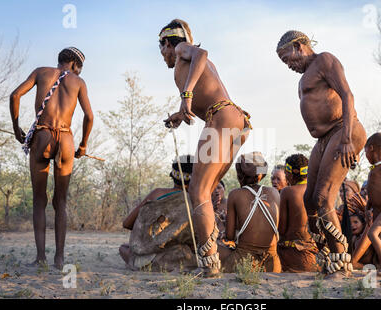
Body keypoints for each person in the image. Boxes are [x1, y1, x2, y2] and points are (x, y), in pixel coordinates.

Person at [159, 19, 251, 277]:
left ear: (167, 43)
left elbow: (201, 53)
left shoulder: (182, 51)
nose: (164, 57)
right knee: (206, 192)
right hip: (234, 121)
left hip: (221, 116)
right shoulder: (189, 67)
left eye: (161, 50)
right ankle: (212, 257)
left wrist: (185, 95)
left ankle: (210, 265)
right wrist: (181, 113)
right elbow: (204, 89)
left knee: (197, 191)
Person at [276, 30, 367, 277]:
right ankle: (328, 252)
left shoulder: (324, 60)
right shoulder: (306, 75)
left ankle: (341, 262)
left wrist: (347, 139)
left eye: (289, 59)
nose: (289, 66)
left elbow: (347, 95)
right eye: (285, 63)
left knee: (325, 197)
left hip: (342, 130)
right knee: (309, 201)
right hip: (324, 138)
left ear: (299, 46)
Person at [9, 47, 93, 269]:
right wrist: (83, 145)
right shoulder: (79, 82)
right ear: (75, 64)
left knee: (39, 201)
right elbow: (89, 117)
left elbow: (15, 95)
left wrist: (17, 128)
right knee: (61, 201)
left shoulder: (41, 72)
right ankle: (59, 258)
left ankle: (40, 258)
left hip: (42, 136)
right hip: (65, 140)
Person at [119, 155, 194, 267]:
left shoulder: (157, 194)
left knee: (123, 248)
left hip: (152, 257)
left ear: (173, 176)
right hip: (184, 256)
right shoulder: (197, 200)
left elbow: (127, 224)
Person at [219, 152, 281, 273]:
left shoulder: (235, 194)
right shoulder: (274, 193)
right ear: (261, 174)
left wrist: (227, 222)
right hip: (272, 263)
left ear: (240, 175)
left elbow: (230, 236)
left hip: (245, 260)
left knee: (211, 249)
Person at [355, 133, 381, 276]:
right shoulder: (374, 169)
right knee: (380, 237)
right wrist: (368, 208)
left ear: (371, 148)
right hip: (377, 208)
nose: (365, 155)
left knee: (372, 233)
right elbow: (372, 192)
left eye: (365, 151)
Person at [278, 154, 318, 272]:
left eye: (286, 172)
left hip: (293, 255)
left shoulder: (287, 192)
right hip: (314, 254)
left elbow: (282, 229)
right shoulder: (316, 189)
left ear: (290, 174)